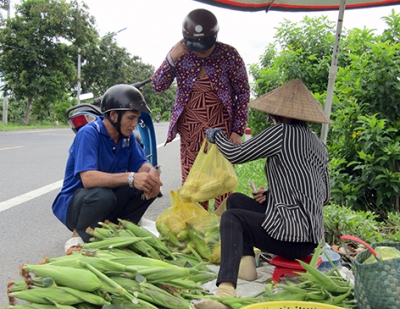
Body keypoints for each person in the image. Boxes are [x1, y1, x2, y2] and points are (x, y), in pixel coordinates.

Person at [195, 79, 331, 309]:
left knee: (232, 217)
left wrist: (217, 137)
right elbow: (323, 196)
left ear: (282, 116)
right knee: (236, 200)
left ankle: (226, 289)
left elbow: (237, 154)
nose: (272, 119)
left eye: (274, 116)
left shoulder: (280, 133)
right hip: (311, 239)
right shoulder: (318, 144)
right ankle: (247, 267)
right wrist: (272, 195)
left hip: (290, 238)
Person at [152, 8, 250, 210]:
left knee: (222, 184)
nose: (201, 51)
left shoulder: (229, 55)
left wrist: (238, 131)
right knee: (193, 186)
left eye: (205, 46)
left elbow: (242, 93)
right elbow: (158, 85)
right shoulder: (180, 55)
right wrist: (172, 58)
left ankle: (222, 231)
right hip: (190, 133)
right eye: (196, 47)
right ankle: (197, 231)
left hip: (222, 134)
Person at [52, 84, 163, 254]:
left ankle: (122, 229)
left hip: (106, 197)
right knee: (104, 196)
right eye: (131, 118)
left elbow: (141, 164)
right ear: (113, 115)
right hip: (78, 203)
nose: (135, 124)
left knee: (147, 185)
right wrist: (132, 177)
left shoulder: (127, 137)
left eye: (136, 119)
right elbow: (88, 179)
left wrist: (151, 172)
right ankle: (77, 236)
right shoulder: (89, 134)